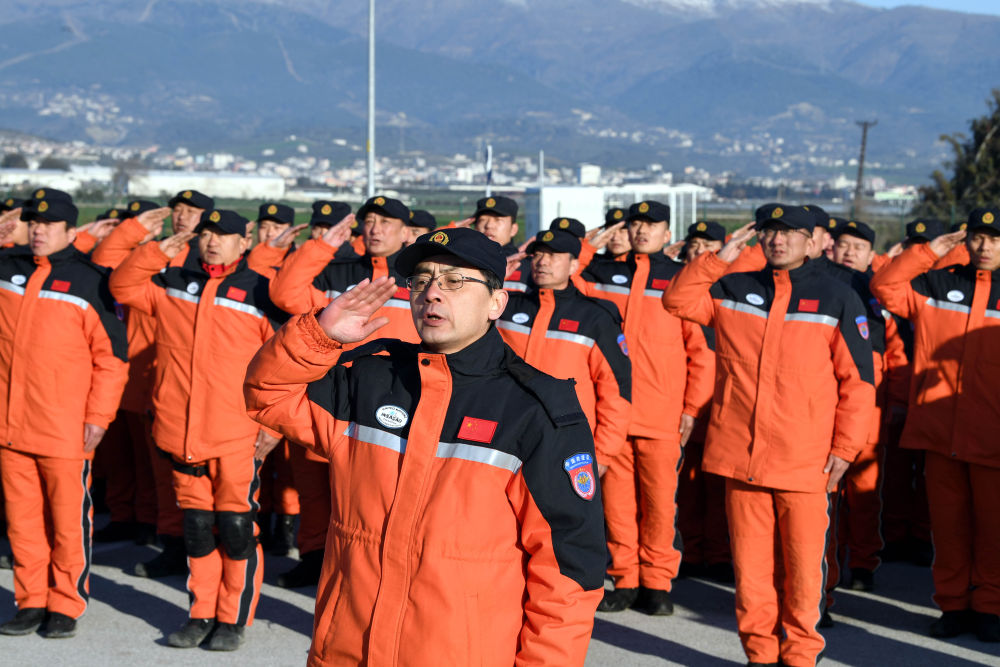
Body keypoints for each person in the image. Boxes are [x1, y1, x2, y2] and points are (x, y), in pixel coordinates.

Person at [245, 226, 606, 665]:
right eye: (421, 281)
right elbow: (267, 397)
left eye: (454, 281)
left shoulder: (533, 410)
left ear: (496, 303)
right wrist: (321, 337)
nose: (432, 293)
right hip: (346, 651)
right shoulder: (370, 380)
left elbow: (567, 572)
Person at [663, 205, 875, 667]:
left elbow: (858, 382)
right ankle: (759, 654)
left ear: (810, 240)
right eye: (769, 232)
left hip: (806, 459)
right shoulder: (734, 288)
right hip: (741, 456)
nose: (778, 240)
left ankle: (799, 656)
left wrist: (846, 447)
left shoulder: (836, 296)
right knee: (752, 573)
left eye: (789, 233)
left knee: (802, 572)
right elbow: (676, 301)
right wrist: (718, 259)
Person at [110, 209, 287, 650]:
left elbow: (285, 366)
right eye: (207, 233)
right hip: (181, 432)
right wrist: (154, 253)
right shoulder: (173, 282)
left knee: (236, 529)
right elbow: (122, 287)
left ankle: (232, 619)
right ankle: (201, 613)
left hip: (237, 435)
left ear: (243, 242)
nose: (212, 241)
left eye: (223, 235)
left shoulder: (260, 292)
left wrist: (274, 425)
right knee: (195, 528)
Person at [0, 194, 128, 638]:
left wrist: (99, 417)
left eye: (49, 224)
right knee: (23, 522)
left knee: (68, 523)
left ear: (72, 232)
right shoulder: (7, 269)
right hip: (10, 425)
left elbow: (112, 360)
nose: (38, 230)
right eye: (34, 222)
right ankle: (30, 600)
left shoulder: (91, 282)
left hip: (65, 428)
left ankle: (65, 603)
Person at [870, 207, 1000, 643]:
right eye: (978, 237)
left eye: (994, 239)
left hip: (993, 438)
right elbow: (885, 286)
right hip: (941, 433)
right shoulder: (936, 284)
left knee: (994, 531)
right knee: (949, 529)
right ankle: (953, 605)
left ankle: (991, 607)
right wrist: (928, 252)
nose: (984, 246)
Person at [580, 200, 713, 615]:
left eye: (651, 225)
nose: (641, 231)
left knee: (659, 504)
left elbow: (701, 354)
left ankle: (657, 583)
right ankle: (626, 579)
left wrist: (692, 408)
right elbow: (568, 279)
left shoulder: (678, 280)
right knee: (617, 504)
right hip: (613, 413)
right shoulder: (600, 274)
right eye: (635, 224)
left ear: (667, 234)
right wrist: (591, 245)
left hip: (663, 413)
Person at [91, 190, 214, 578]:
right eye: (177, 209)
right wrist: (134, 231)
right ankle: (153, 528)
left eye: (191, 211)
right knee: (142, 465)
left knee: (181, 473)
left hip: (182, 382)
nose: (181, 216)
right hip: (140, 376)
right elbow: (105, 265)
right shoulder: (153, 254)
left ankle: (185, 541)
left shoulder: (202, 263)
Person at [496, 227, 631, 470]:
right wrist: (493, 279)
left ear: (573, 266)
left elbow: (615, 389)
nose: (542, 262)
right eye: (537, 254)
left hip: (567, 444)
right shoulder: (504, 307)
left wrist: (603, 454)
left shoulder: (594, 317)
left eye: (553, 255)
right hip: (505, 434)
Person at [269, 195, 419, 343]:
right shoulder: (334, 274)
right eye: (369, 222)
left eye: (385, 222)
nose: (375, 230)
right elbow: (284, 296)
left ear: (405, 233)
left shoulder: (418, 279)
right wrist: (323, 247)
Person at [673, 221, 731, 582]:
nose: (699, 251)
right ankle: (693, 551)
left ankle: (721, 554)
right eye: (694, 244)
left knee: (719, 486)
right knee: (690, 487)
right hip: (686, 403)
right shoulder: (678, 289)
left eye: (708, 245)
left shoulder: (731, 290)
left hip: (724, 404)